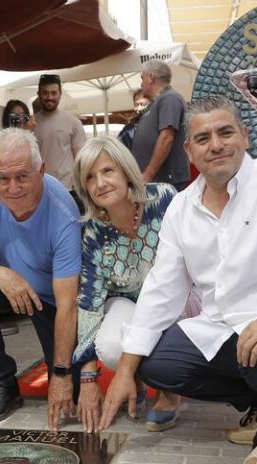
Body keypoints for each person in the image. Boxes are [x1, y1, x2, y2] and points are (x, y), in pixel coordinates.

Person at [98, 96, 257, 464]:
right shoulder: (182, 208)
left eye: (225, 132)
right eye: (202, 138)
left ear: (244, 136)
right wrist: (125, 368)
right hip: (227, 326)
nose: (216, 145)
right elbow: (162, 289)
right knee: (154, 362)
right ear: (188, 150)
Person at [0, 127, 94, 431]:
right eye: (2, 178)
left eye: (22, 176)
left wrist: (59, 374)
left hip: (54, 301)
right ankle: (3, 383)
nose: (12, 187)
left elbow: (69, 302)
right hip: (11, 286)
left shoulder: (63, 213)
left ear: (41, 170)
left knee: (74, 385)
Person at [72, 136, 199, 433]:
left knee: (171, 318)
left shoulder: (164, 199)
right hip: (126, 300)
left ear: (126, 171)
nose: (100, 183)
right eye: (89, 177)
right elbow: (90, 300)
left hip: (178, 297)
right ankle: (136, 380)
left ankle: (167, 391)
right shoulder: (91, 231)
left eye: (107, 171)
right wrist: (88, 378)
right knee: (111, 345)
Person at [131, 59, 189, 189]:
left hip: (166, 181)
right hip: (157, 181)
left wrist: (148, 174)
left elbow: (166, 138)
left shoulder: (169, 98)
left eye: (142, 78)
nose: (141, 84)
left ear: (151, 78)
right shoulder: (159, 101)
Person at [33, 74, 86, 190]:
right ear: (39, 94)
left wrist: (79, 183)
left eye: (53, 93)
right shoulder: (30, 124)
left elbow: (80, 158)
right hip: (39, 189)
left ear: (60, 95)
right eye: (45, 93)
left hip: (67, 188)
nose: (49, 97)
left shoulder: (73, 122)